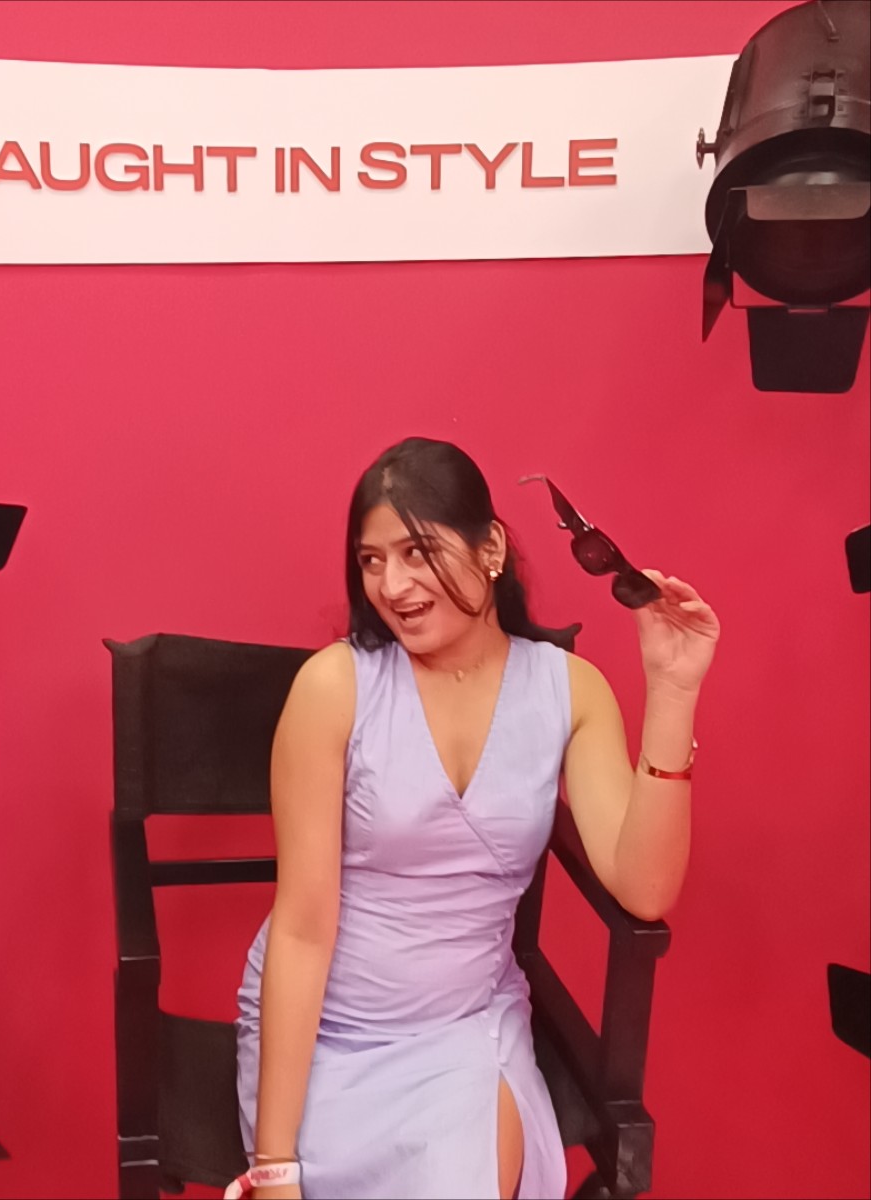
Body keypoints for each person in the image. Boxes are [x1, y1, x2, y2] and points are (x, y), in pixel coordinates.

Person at [233, 437, 720, 1200]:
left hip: (464, 1030)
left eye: (418, 552)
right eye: (371, 560)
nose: (392, 585)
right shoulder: (334, 688)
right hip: (324, 1034)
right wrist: (274, 1164)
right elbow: (301, 930)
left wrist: (672, 691)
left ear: (490, 547)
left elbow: (646, 889)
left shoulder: (569, 691)